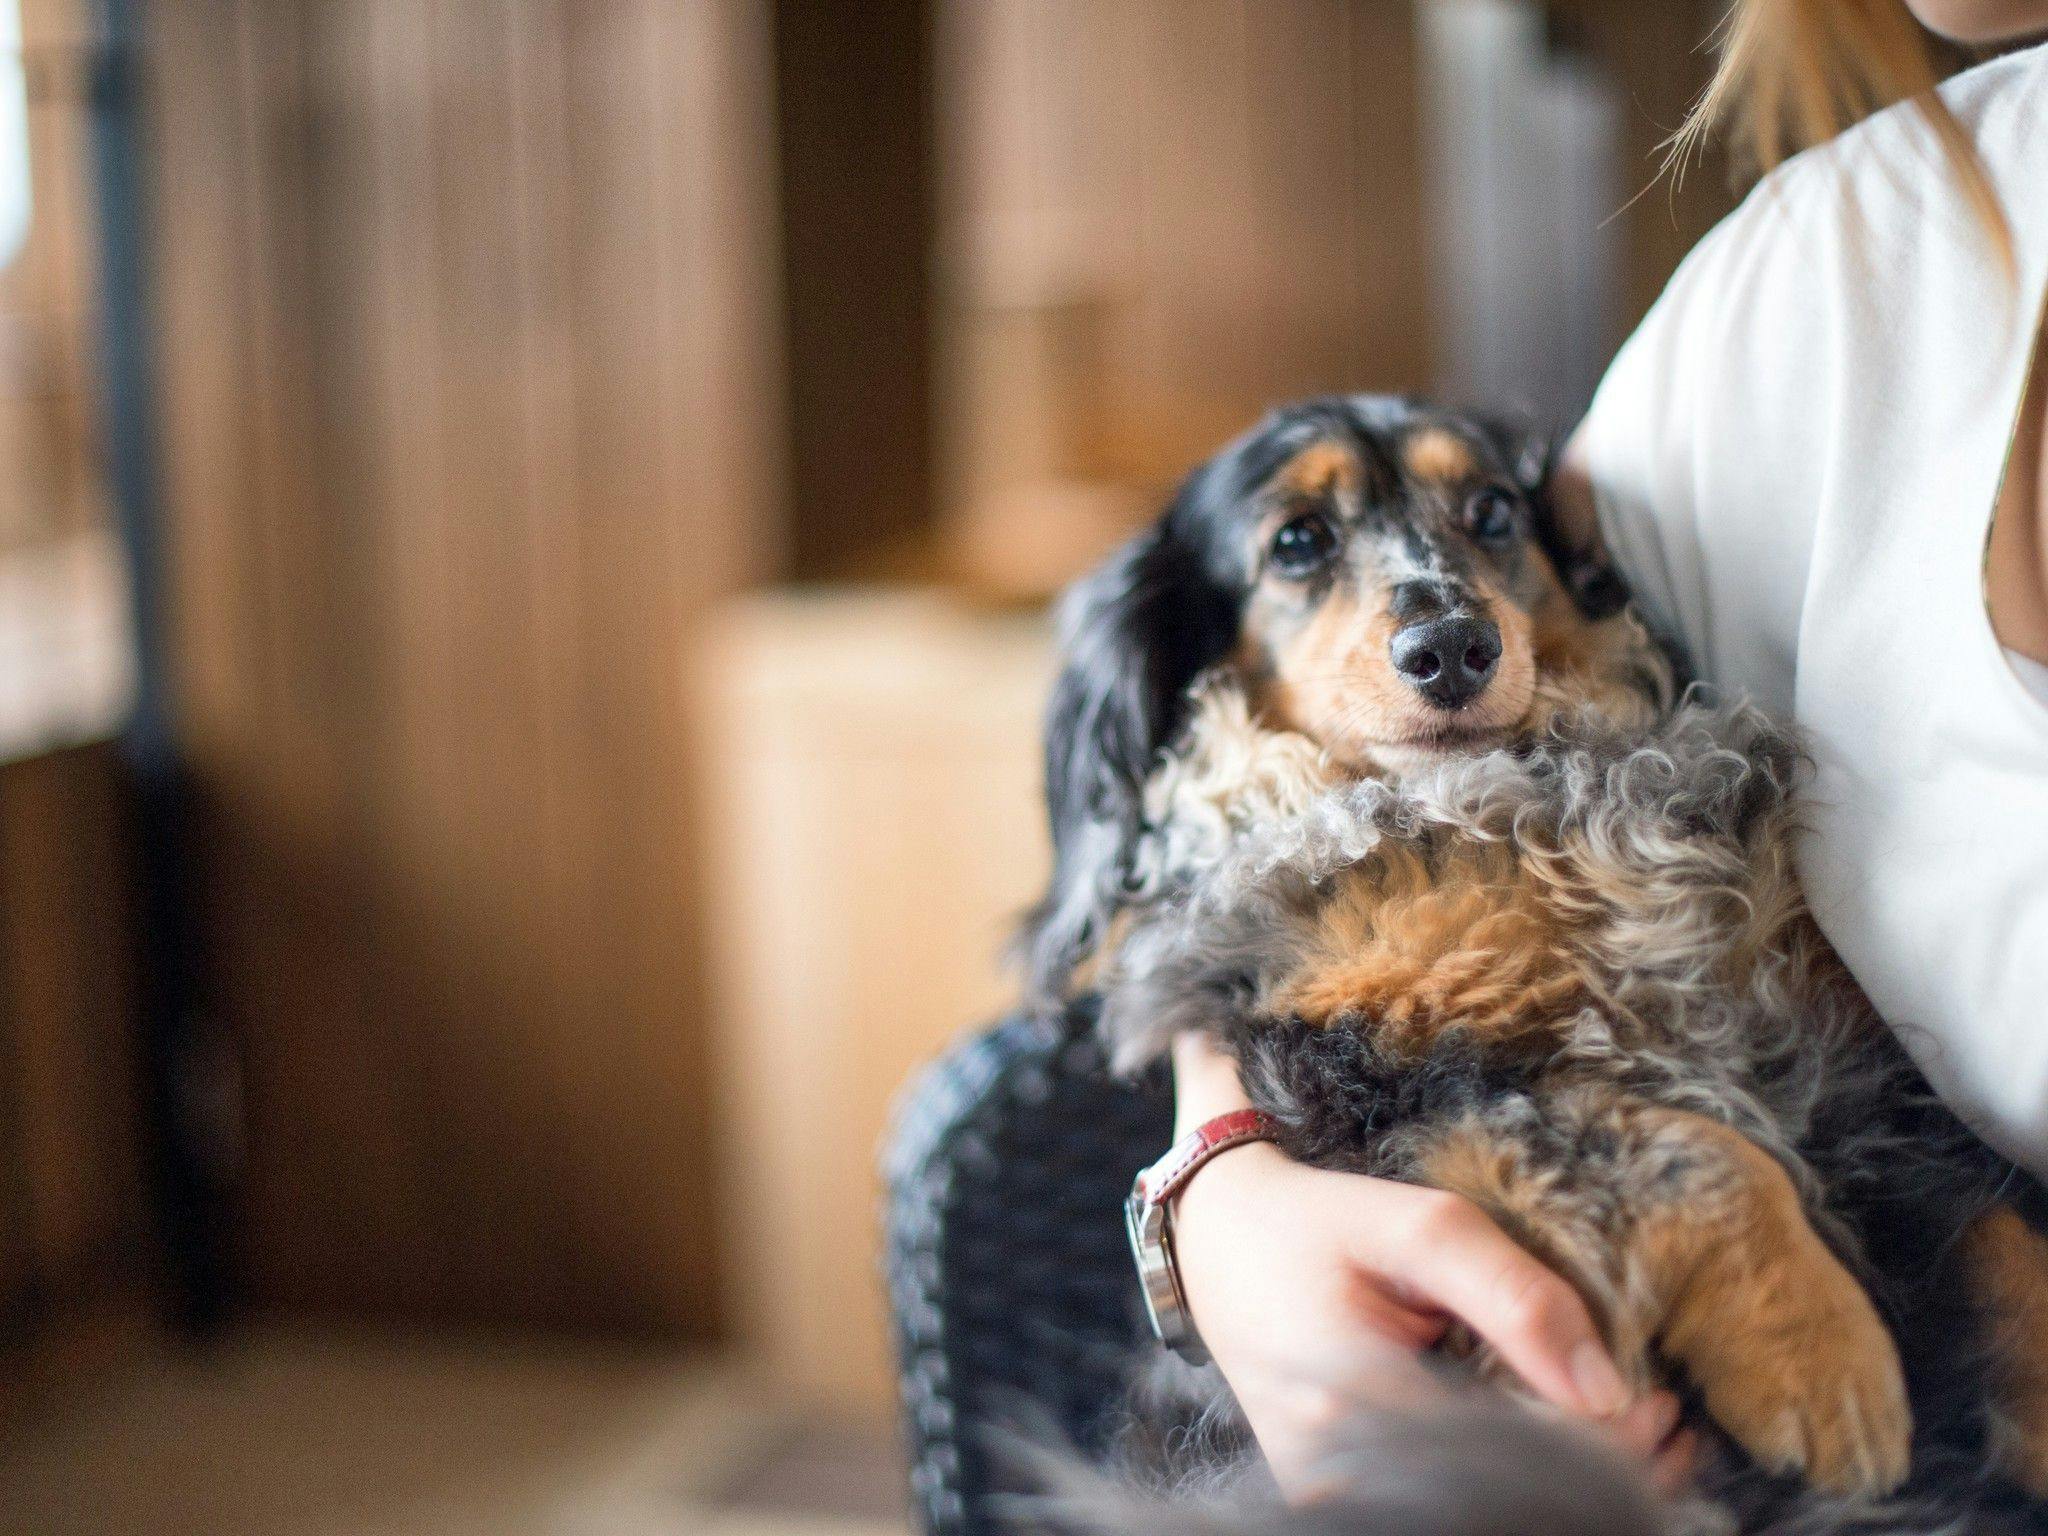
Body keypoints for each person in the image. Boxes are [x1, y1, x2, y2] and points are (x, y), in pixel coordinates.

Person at [1167, 0, 2048, 1498]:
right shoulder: (1827, 278)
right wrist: (1218, 1178)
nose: (1439, 614)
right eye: (1308, 543)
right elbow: (1280, 854)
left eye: (1478, 526)